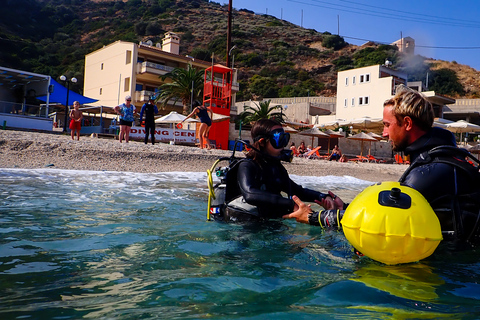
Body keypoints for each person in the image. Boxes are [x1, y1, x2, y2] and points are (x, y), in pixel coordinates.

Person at [284, 84, 480, 244]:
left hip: (451, 270)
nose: (384, 133)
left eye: (387, 125)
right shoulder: (444, 159)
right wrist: (343, 207)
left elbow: (380, 221)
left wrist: (311, 218)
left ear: (408, 124)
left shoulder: (430, 171)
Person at [219, 118, 336, 222]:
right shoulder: (246, 166)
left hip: (268, 223)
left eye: (284, 139)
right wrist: (291, 205)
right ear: (262, 142)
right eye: (278, 139)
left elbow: (297, 191)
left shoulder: (276, 167)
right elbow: (250, 194)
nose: (283, 145)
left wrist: (323, 197)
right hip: (243, 226)